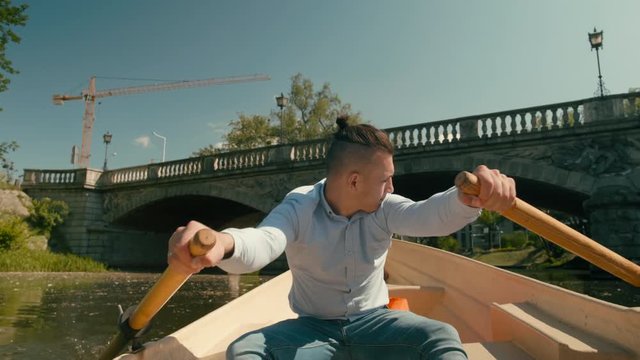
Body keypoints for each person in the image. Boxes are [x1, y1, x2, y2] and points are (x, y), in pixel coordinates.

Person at [168, 117, 516, 360]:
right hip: (311, 331)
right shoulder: (299, 206)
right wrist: (219, 243)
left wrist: (469, 198)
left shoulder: (385, 207)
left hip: (377, 323)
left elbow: (428, 214)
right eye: (386, 180)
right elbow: (263, 242)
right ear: (354, 181)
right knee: (246, 350)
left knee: (441, 337)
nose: (392, 188)